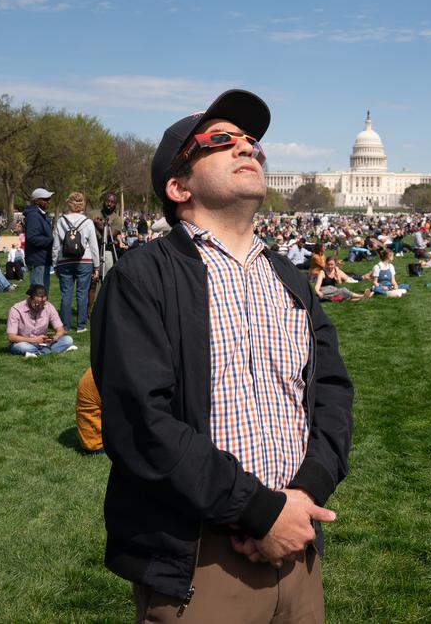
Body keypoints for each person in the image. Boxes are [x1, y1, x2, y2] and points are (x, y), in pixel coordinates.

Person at [90, 89, 353, 622]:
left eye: (252, 141)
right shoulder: (140, 279)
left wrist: (301, 497)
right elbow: (143, 424)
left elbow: (330, 393)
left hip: (298, 544)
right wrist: (259, 513)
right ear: (177, 185)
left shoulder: (289, 278)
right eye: (220, 141)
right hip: (201, 556)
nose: (247, 148)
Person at [52, 191, 100, 333]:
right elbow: (93, 246)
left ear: (69, 204)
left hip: (65, 260)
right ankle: (81, 325)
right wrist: (96, 266)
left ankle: (65, 326)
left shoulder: (61, 221)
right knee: (82, 293)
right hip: (84, 260)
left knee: (66, 294)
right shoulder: (88, 222)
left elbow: (56, 245)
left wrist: (55, 263)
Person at [5, 284, 74, 357]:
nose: (40, 306)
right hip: (24, 342)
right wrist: (34, 340)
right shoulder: (16, 310)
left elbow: (60, 329)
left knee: (68, 340)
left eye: (43, 303)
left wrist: (54, 337)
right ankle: (52, 350)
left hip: (43, 343)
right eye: (37, 304)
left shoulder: (49, 306)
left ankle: (38, 353)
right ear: (30, 298)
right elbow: (11, 337)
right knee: (21, 347)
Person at [23, 188, 55, 290]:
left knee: (43, 292)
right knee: (38, 293)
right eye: (45, 199)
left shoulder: (40, 215)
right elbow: (32, 238)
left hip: (42, 259)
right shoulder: (33, 215)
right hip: (37, 260)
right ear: (37, 201)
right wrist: (50, 240)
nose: (48, 201)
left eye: (49, 199)